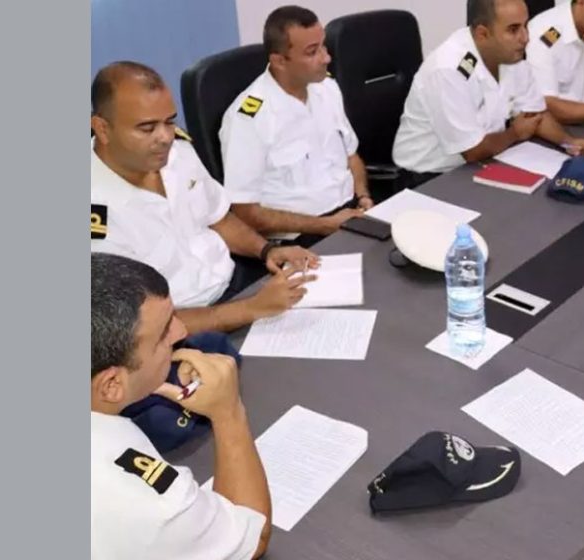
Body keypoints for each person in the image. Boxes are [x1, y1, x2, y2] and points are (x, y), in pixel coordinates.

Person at [90, 61, 318, 334]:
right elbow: (139, 329)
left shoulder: (177, 153)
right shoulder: (96, 213)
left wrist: (266, 250)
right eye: (147, 128)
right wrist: (251, 309)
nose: (165, 137)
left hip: (238, 284)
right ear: (102, 129)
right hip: (183, 329)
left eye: (169, 121)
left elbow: (218, 218)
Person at [91, 253, 272, 559]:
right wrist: (228, 412)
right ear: (111, 385)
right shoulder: (145, 502)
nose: (181, 333)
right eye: (163, 334)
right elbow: (252, 534)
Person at [392, 0, 584, 183]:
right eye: (513, 29)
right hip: (429, 179)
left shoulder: (511, 55)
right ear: (483, 33)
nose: (525, 37)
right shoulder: (450, 68)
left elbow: (535, 114)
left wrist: (569, 142)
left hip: (481, 162)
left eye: (525, 26)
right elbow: (472, 150)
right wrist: (515, 133)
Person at [220, 5, 374, 247]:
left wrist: (363, 195)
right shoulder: (249, 118)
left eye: (323, 45)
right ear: (279, 61)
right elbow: (245, 211)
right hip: (302, 237)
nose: (326, 57)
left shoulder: (326, 88)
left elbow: (351, 156)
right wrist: (325, 225)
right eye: (312, 52)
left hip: (350, 216)